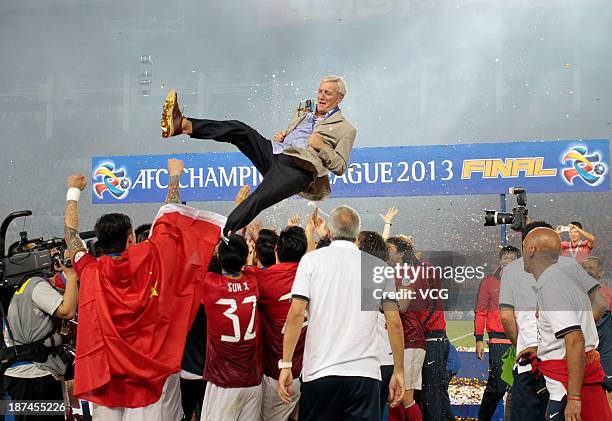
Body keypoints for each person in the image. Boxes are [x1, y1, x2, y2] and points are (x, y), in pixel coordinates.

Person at [67, 159, 224, 419]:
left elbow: (71, 237)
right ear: (130, 238)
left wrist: (72, 192)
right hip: (154, 380)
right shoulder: (152, 256)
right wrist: (175, 176)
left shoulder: (90, 271)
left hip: (108, 383)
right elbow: (170, 216)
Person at [160, 75, 357, 236]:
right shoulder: (305, 112)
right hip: (276, 152)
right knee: (240, 130)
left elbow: (340, 167)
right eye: (320, 91)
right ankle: (183, 125)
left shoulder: (346, 129)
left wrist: (322, 146)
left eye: (328, 93)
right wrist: (284, 136)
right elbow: (296, 136)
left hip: (299, 169)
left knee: (257, 199)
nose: (321, 96)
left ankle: (218, 238)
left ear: (339, 98)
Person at [279, 205, 405, 420]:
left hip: (320, 373)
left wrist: (286, 364)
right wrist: (399, 371)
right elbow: (394, 322)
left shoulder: (311, 260)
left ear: (331, 230)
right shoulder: (376, 267)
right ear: (357, 234)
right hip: (364, 375)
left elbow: (296, 313)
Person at [499, 221, 608, 421]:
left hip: (561, 376)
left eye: (523, 249)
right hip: (583, 366)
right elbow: (600, 304)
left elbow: (574, 338)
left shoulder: (550, 288)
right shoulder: (569, 270)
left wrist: (574, 397)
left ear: (531, 249)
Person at [2, 244, 78, 421]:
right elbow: (67, 310)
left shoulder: (17, 287)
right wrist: (72, 275)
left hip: (21, 374)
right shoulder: (36, 285)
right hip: (36, 376)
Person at [199, 234, 263, 420]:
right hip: (253, 383)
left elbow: (197, 262)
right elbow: (249, 265)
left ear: (219, 259)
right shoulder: (253, 280)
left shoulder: (210, 284)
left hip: (223, 383)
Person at [256, 226, 308, 420]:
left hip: (278, 375)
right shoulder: (314, 275)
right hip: (308, 373)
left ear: (276, 248)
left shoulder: (263, 279)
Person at [474, 246, 519, 420]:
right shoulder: (489, 282)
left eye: (513, 258)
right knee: (498, 386)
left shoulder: (526, 281)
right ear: (500, 260)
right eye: (505, 258)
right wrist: (479, 338)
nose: (508, 261)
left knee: (519, 386)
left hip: (522, 341)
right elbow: (481, 311)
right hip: (499, 342)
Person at [386, 236, 428, 421]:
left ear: (401, 253)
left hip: (410, 339)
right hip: (397, 340)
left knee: (406, 397)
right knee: (394, 396)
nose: (385, 251)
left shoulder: (407, 272)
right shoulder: (388, 272)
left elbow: (402, 306)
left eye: (389, 248)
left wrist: (379, 304)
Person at [356, 230, 394, 419]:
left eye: (358, 243)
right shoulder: (381, 274)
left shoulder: (367, 275)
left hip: (372, 361)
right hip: (385, 359)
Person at [581, 256, 612, 407]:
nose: (587, 271)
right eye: (584, 268)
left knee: (608, 392)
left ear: (601, 273)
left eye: (591, 268)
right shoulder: (573, 294)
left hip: (605, 353)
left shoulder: (608, 293)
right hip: (581, 351)